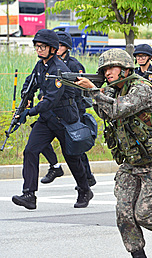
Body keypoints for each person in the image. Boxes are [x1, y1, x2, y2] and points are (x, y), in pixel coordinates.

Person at [76, 48, 152, 258]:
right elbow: (105, 112)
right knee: (124, 214)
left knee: (146, 214)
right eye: (104, 69)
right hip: (131, 161)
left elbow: (119, 109)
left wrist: (94, 91)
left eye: (112, 67)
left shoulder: (141, 89)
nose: (108, 72)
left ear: (126, 69)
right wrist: (96, 93)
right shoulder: (114, 89)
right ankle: (138, 255)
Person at [11, 29, 92, 210]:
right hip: (47, 120)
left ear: (53, 49)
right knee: (30, 151)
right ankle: (29, 195)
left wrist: (29, 113)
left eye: (43, 47)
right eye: (37, 46)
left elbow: (50, 100)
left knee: (72, 158)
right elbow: (30, 82)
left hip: (65, 120)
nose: (39, 50)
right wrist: (27, 97)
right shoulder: (41, 65)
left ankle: (84, 190)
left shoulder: (59, 69)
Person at [38, 31, 97, 187]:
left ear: (67, 47)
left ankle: (87, 177)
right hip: (51, 111)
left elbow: (80, 89)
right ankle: (55, 166)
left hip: (73, 109)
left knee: (76, 146)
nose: (58, 48)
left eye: (62, 45)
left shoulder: (73, 65)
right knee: (38, 141)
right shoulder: (47, 63)